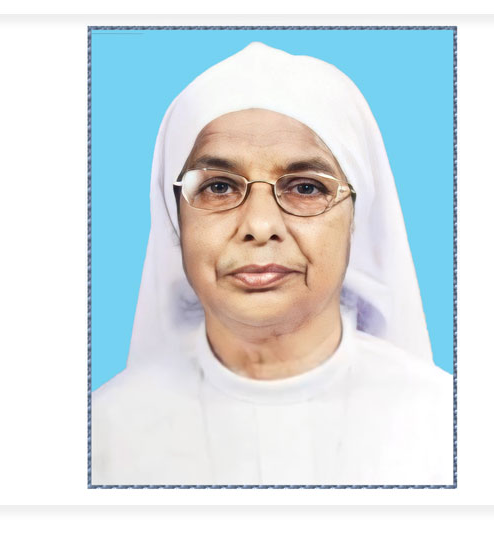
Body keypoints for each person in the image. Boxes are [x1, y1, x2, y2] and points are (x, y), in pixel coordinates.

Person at [91, 42, 453, 486]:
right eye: (219, 187)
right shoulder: (102, 437)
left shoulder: (445, 429)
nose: (260, 226)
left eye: (305, 187)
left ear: (357, 216)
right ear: (174, 218)